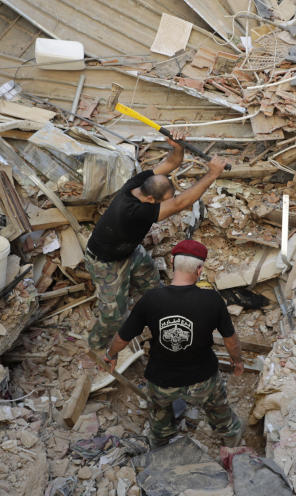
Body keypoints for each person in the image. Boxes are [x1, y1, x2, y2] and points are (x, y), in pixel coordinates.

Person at [85, 134, 229, 352]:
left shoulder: (137, 183)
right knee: (113, 314)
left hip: (130, 250)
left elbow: (171, 163)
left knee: (150, 278)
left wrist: (177, 147)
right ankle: (95, 345)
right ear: (151, 200)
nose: (168, 203)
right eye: (164, 201)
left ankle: (158, 307)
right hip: (106, 262)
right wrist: (212, 174)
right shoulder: (133, 212)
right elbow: (181, 203)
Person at [104, 239, 244, 448]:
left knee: (160, 419)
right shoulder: (212, 300)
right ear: (199, 269)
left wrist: (110, 354)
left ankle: (160, 443)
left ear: (171, 263)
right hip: (203, 379)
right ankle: (231, 439)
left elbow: (122, 338)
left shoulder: (151, 299)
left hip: (162, 381)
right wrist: (237, 361)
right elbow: (230, 340)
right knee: (220, 411)